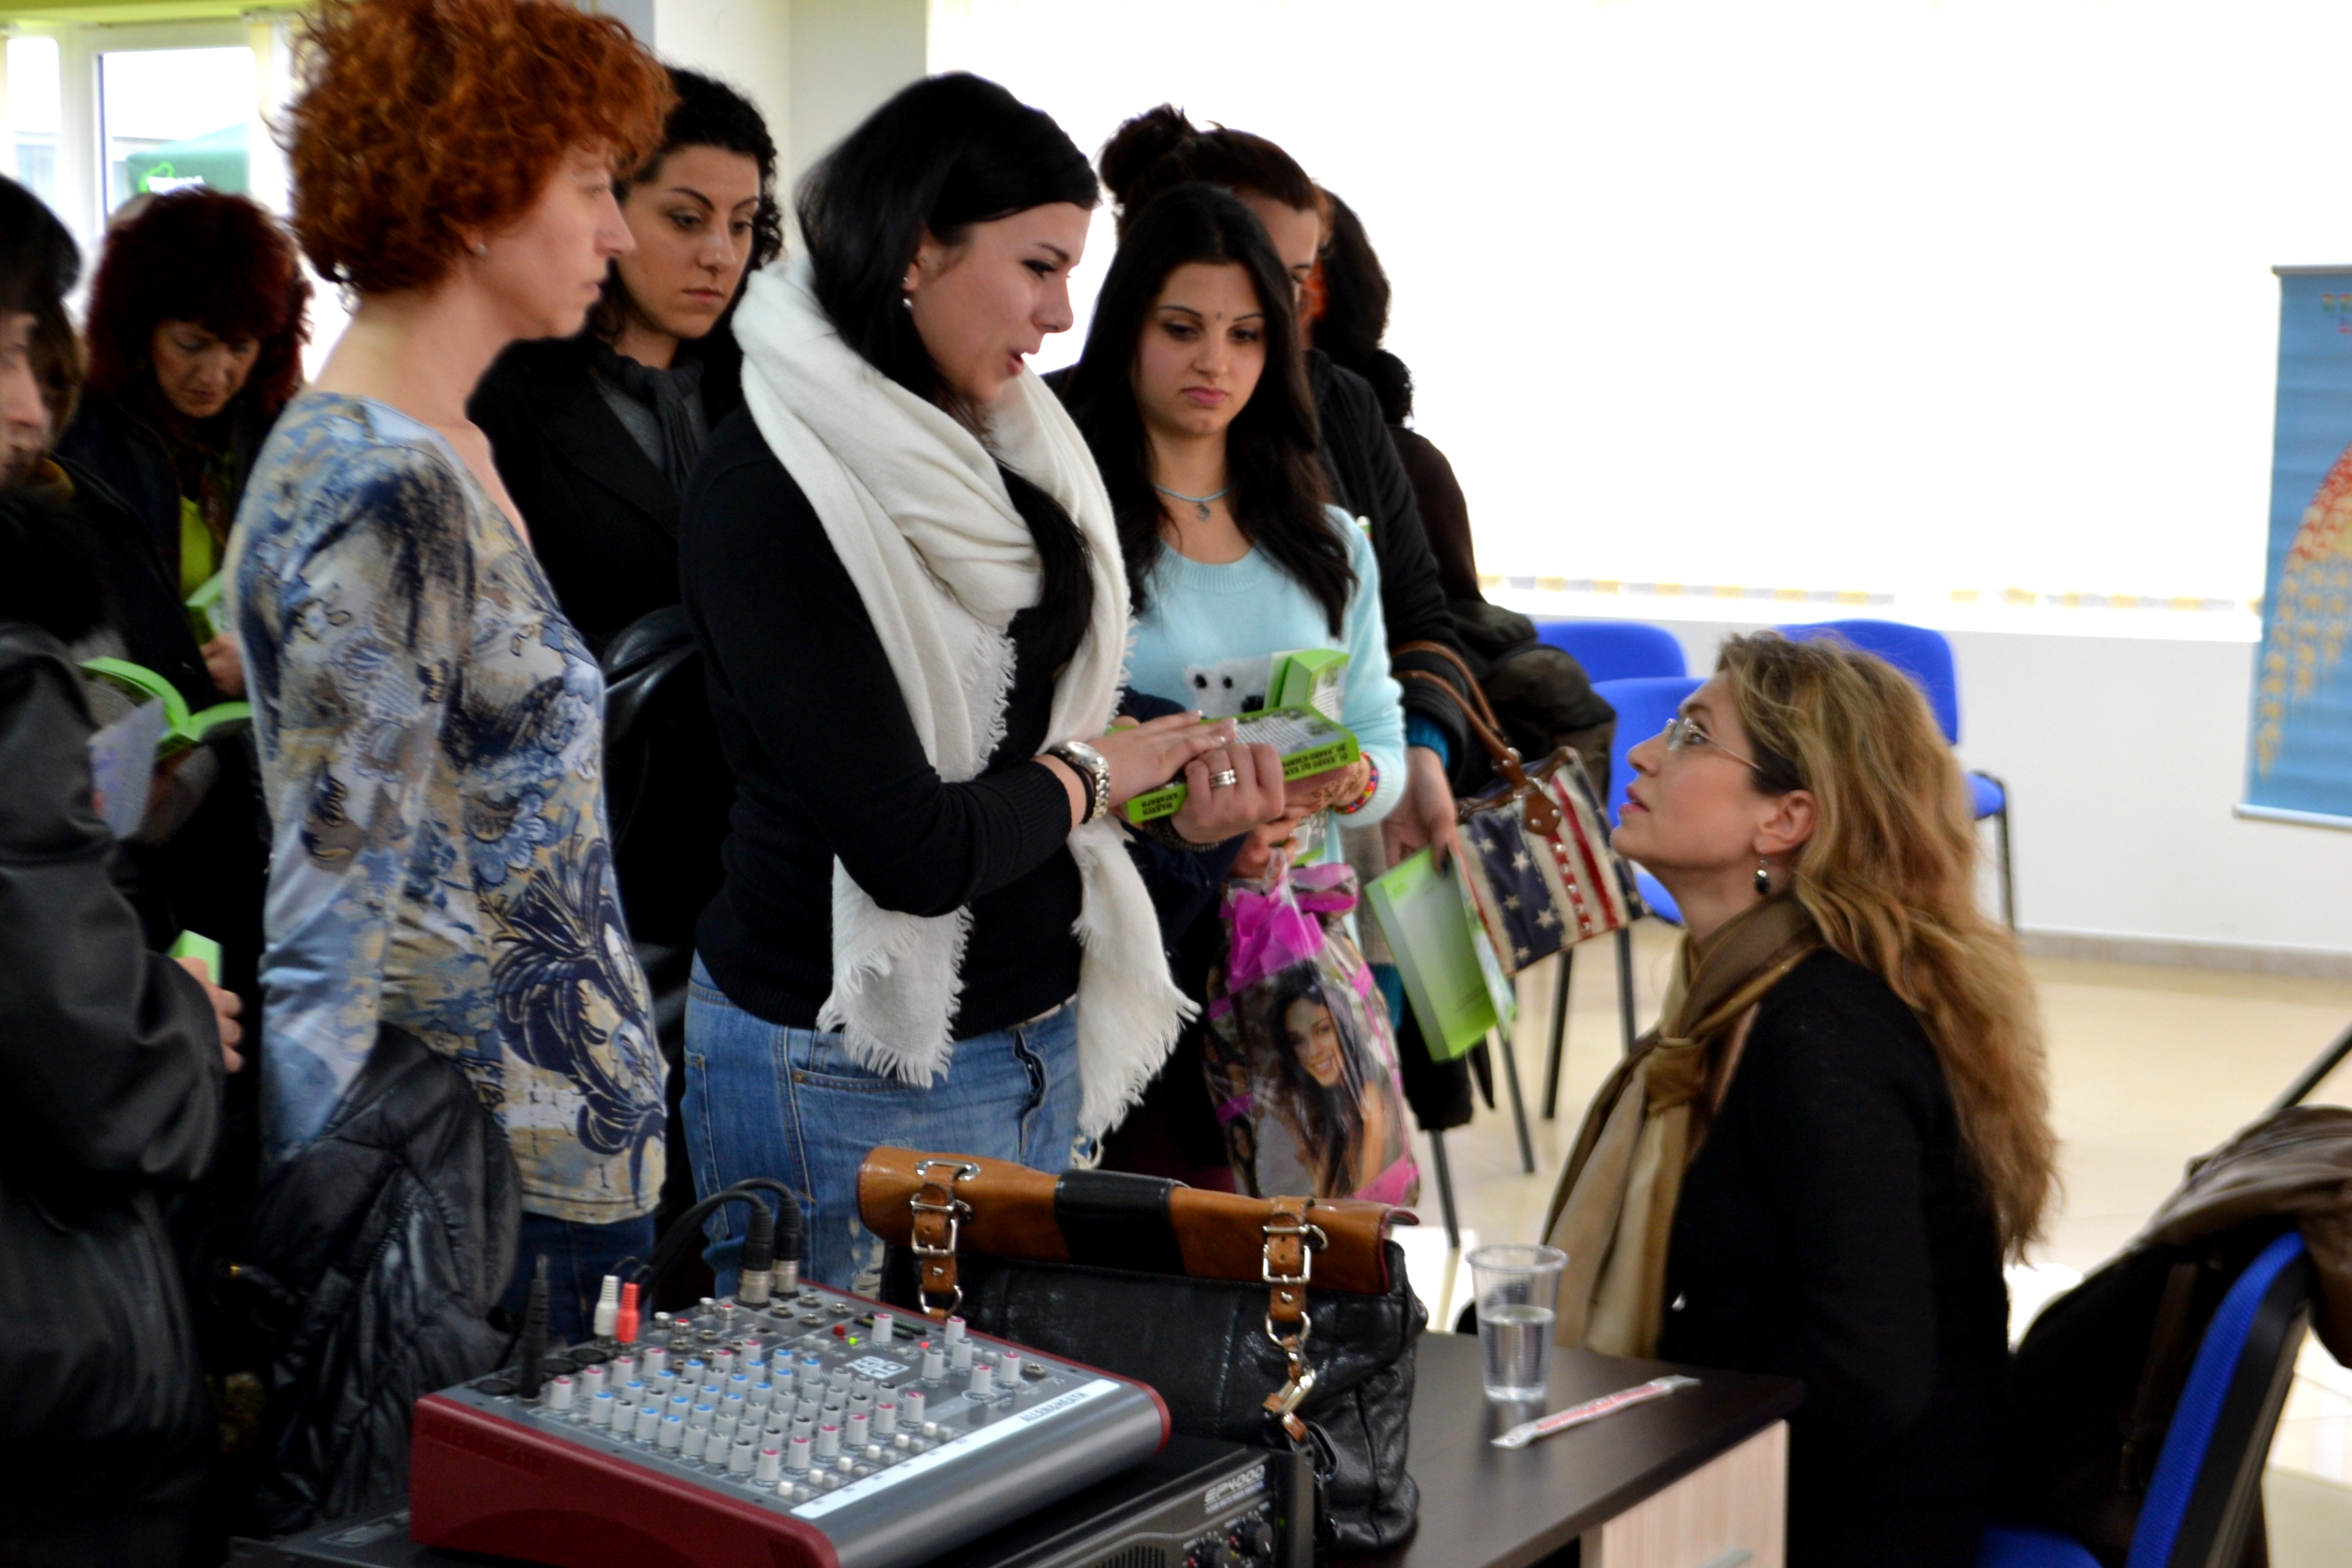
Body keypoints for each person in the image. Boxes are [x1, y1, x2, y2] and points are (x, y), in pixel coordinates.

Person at [680, 74, 1266, 1291]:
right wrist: (1101, 773)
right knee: (844, 1412)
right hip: (845, 1063)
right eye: (1039, 266)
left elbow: (1029, 733)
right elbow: (912, 847)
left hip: (1035, 1027)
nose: (1062, 314)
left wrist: (1171, 794)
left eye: (1071, 272)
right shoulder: (770, 488)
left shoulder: (1010, 439)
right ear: (917, 249)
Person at [231, 0, 674, 1343]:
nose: (618, 232)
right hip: (488, 1185)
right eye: (592, 185)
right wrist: (326, 1260)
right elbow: (329, 906)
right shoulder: (390, 486)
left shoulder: (426, 450)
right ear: (478, 193)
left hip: (538, 1151)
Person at [1542, 631, 2057, 1567]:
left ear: (1786, 819)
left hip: (1843, 1522)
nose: (1644, 753)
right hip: (1768, 1468)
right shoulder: (1730, 994)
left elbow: (1868, 1382)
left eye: (1691, 735)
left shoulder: (1823, 1032)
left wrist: (1622, 1433)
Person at [0, 174, 242, 1568]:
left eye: (34, 356)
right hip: (46, 1354)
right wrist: (178, 1025)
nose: (28, 409)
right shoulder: (10, 674)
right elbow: (102, 1076)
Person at [1094, 106, 1471, 872]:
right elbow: (1034, 763)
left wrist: (1353, 781)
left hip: (1303, 920)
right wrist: (1197, 834)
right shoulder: (1064, 520)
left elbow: (1379, 736)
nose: (1215, 362)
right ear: (1129, 325)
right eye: (1181, 329)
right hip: (1125, 912)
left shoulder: (1328, 536)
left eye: (1247, 333)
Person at [470, 66, 781, 650]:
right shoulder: (505, 395)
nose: (720, 255)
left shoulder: (765, 386)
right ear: (604, 209)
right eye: (686, 219)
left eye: (742, 224)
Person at [60, 189, 312, 704]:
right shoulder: (74, 436)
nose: (215, 375)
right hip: (126, 724)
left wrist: (270, 655)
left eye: (240, 347)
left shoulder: (289, 433)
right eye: (191, 344)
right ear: (139, 329)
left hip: (254, 730)